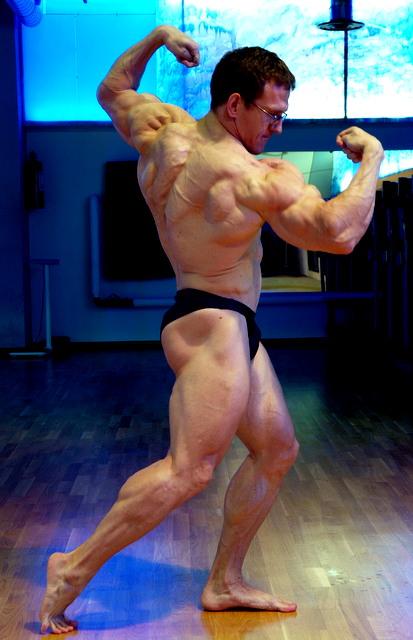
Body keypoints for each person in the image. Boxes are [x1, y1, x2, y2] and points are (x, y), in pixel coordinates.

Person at [39, 24, 383, 634]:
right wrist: (373, 157)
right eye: (272, 114)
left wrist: (156, 38)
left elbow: (111, 89)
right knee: (190, 470)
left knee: (276, 450)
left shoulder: (162, 131)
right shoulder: (254, 176)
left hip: (213, 314)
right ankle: (71, 568)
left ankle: (224, 581)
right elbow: (339, 233)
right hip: (217, 323)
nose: (279, 126)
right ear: (234, 105)